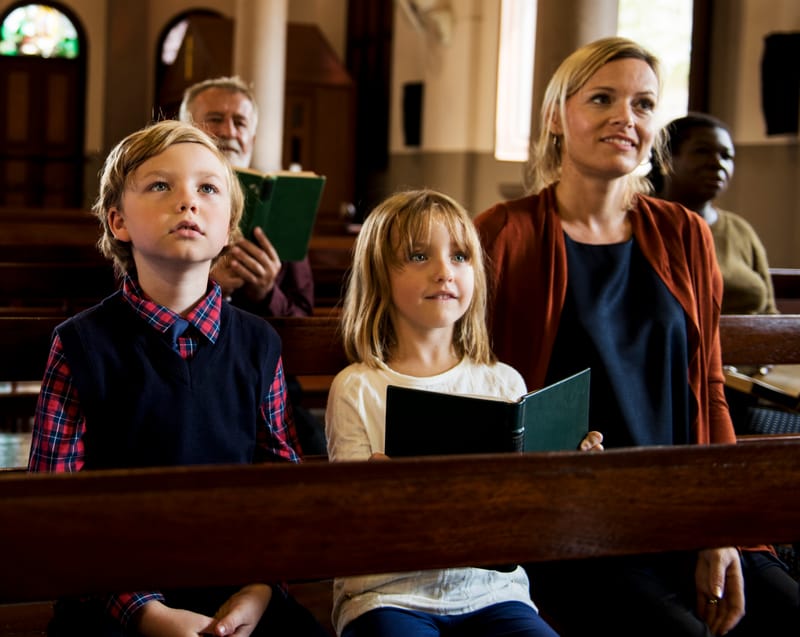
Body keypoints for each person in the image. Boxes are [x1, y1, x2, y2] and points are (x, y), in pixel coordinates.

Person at [475, 36, 799, 637]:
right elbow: (473, 388)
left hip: (685, 510)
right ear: (556, 117)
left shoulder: (683, 234)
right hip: (573, 525)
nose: (626, 118)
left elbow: (710, 388)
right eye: (603, 99)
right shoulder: (505, 233)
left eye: (644, 105)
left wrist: (721, 528)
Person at [28, 120, 329, 637]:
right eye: (161, 185)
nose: (188, 201)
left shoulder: (259, 345)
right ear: (118, 221)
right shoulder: (80, 345)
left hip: (241, 592)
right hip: (112, 596)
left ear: (230, 225)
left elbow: (281, 496)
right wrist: (146, 612)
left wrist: (258, 591)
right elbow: (55, 514)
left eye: (208, 188)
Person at [325, 188, 603, 637]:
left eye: (459, 257)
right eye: (419, 256)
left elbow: (534, 511)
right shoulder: (358, 387)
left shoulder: (503, 383)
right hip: (390, 595)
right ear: (380, 276)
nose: (443, 272)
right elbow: (348, 526)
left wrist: (570, 470)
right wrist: (377, 492)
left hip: (493, 592)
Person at [180, 75, 325, 455]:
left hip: (265, 380)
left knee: (315, 455)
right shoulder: (165, 202)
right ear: (184, 130)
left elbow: (303, 323)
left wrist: (266, 293)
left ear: (253, 138)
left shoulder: (283, 210)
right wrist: (211, 285)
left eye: (240, 122)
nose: (228, 131)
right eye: (214, 119)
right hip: (180, 375)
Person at [650, 112, 778, 315]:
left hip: (754, 343)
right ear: (666, 159)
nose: (718, 163)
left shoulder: (739, 229)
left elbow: (770, 313)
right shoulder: (640, 223)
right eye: (702, 151)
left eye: (726, 156)